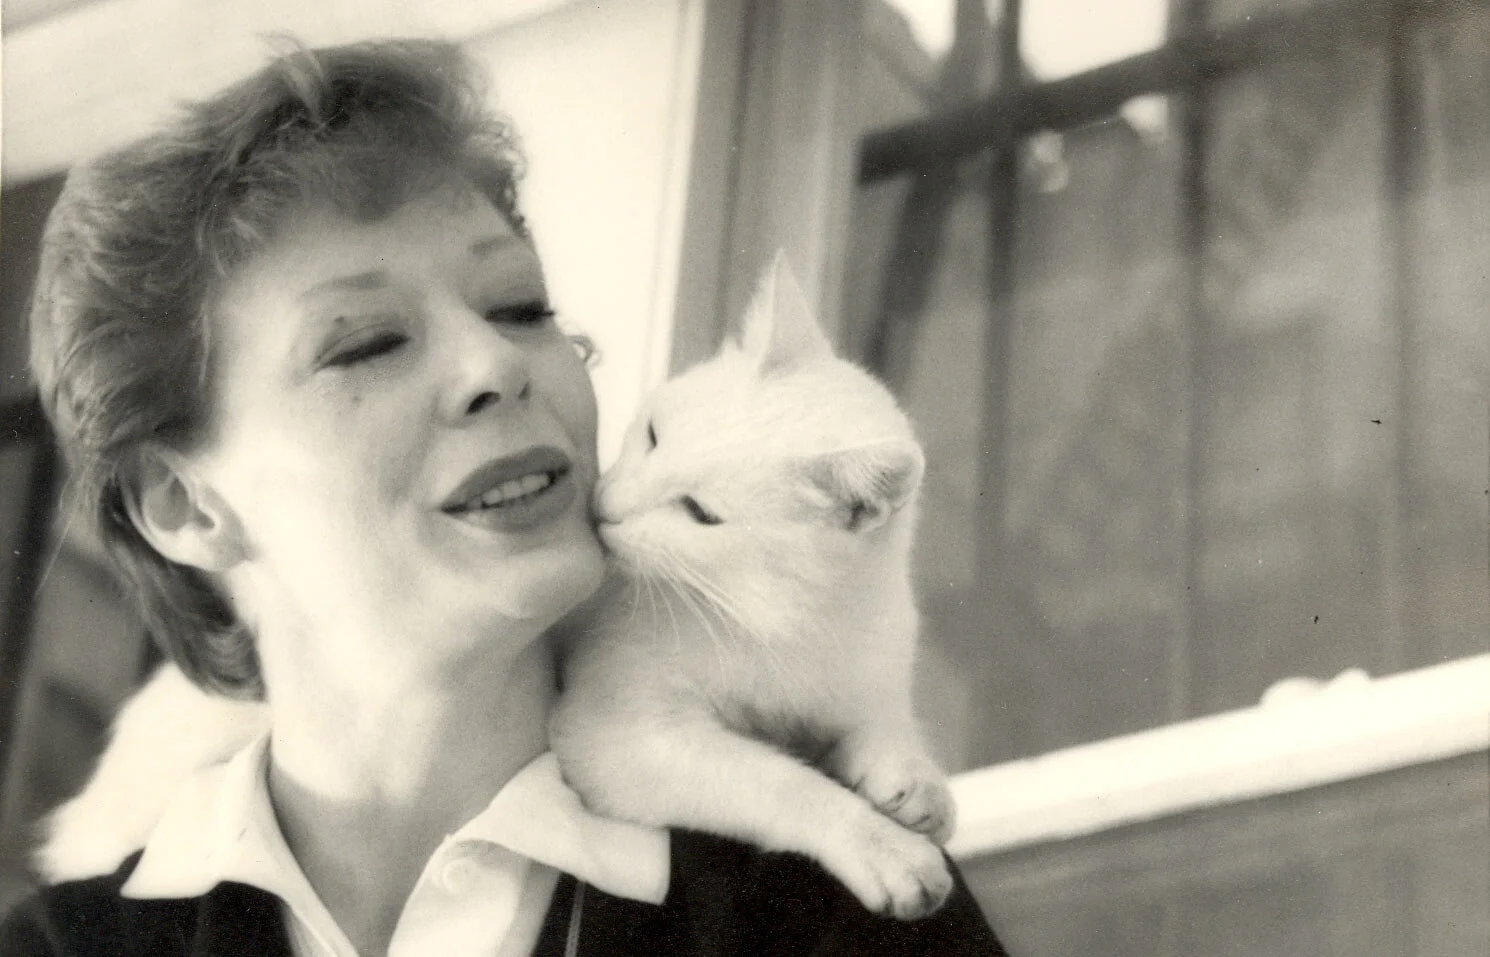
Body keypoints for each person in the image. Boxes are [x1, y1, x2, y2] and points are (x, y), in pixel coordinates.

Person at [0, 39, 1008, 956]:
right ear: (183, 505)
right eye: (367, 342)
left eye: (521, 309)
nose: (494, 363)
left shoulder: (839, 917)